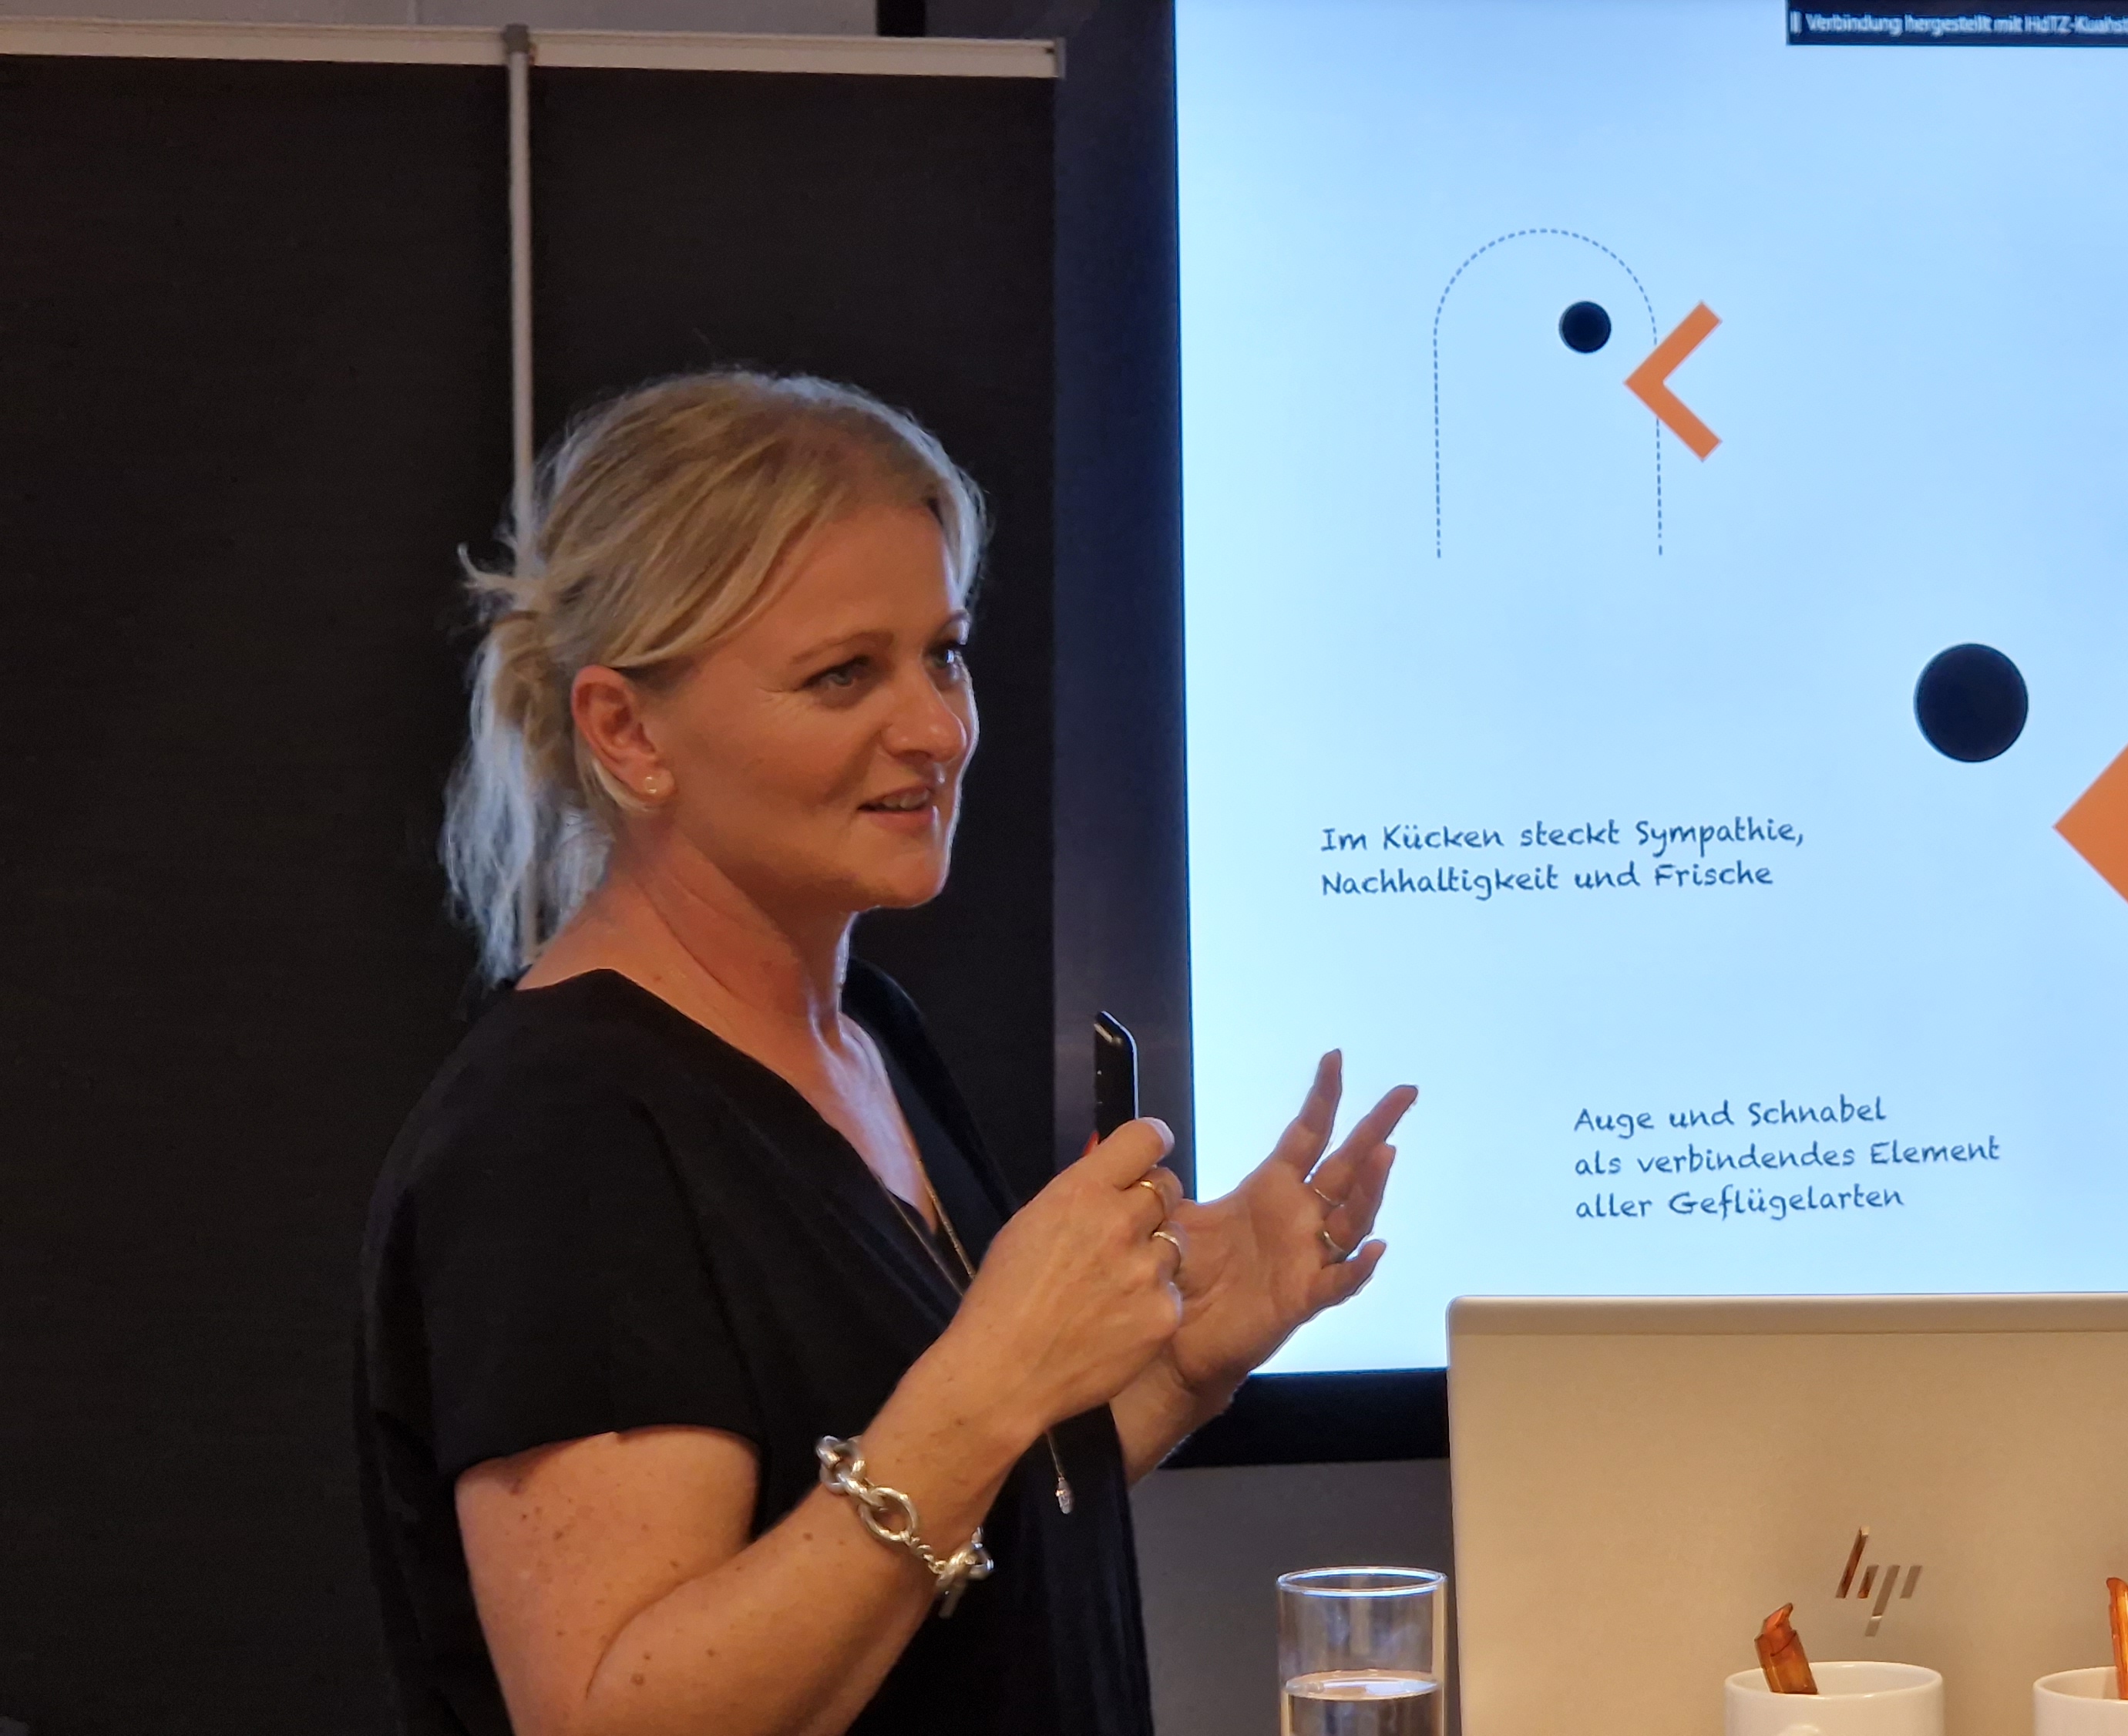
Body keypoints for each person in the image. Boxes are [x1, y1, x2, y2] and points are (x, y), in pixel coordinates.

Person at [355, 372, 1414, 1736]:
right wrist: (996, 1378)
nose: (937, 729)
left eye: (945, 655)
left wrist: (1176, 1371)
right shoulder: (562, 1134)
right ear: (627, 730)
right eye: (844, 675)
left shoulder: (871, 1038)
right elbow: (624, 1711)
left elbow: (938, 1573)